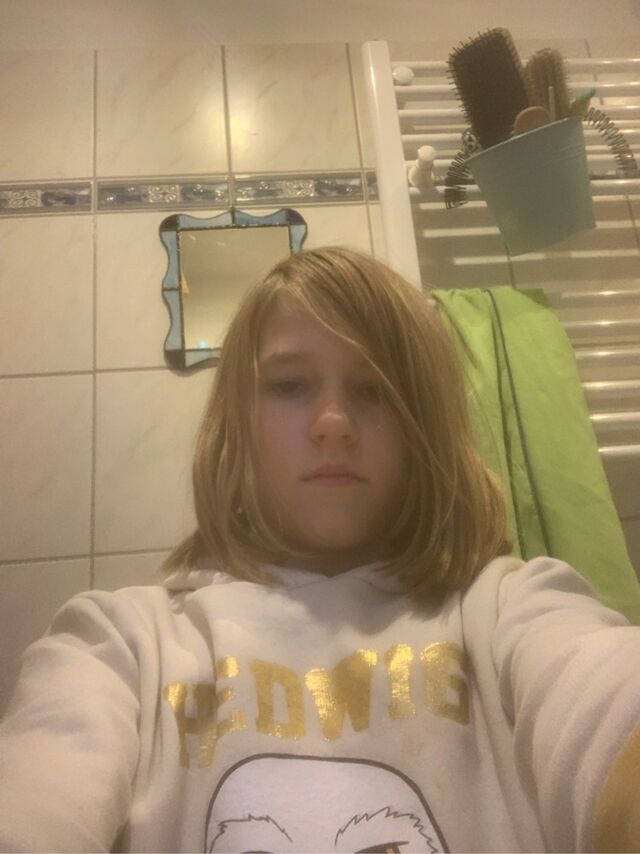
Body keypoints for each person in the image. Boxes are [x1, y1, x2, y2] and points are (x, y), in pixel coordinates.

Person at [0, 246, 638, 853]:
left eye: (375, 389)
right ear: (238, 424)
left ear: (422, 429)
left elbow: (607, 698)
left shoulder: (509, 609)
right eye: (289, 385)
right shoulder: (122, 644)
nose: (334, 422)